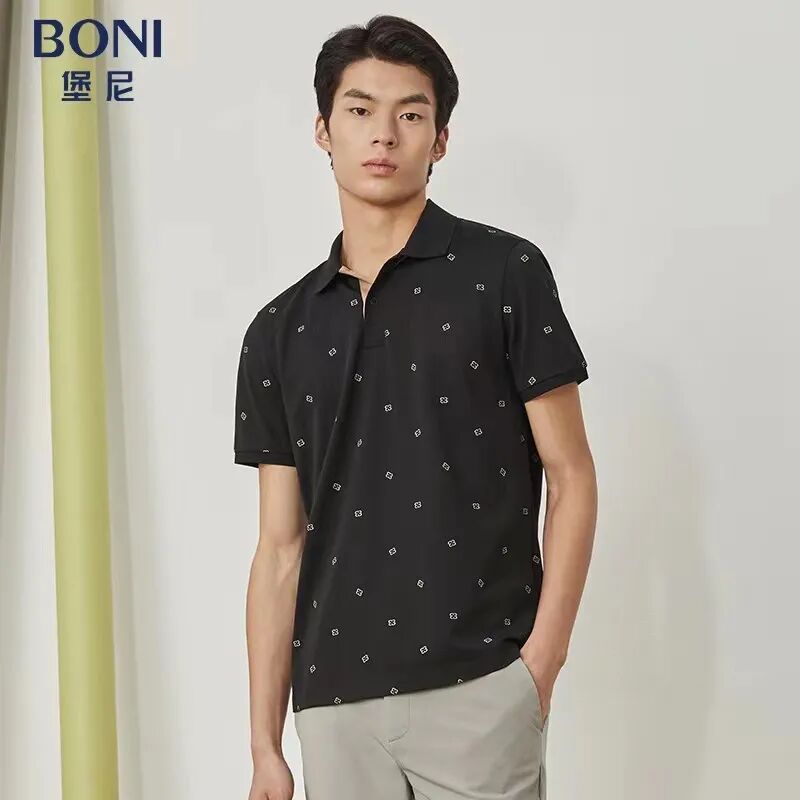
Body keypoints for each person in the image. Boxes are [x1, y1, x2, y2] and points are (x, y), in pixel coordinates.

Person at [234, 14, 597, 800]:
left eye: (411, 113)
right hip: (332, 705)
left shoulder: (505, 273)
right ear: (323, 130)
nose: (384, 134)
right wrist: (265, 741)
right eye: (360, 110)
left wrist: (540, 666)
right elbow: (279, 547)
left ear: (440, 140)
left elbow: (571, 475)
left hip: (481, 686)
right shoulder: (278, 330)